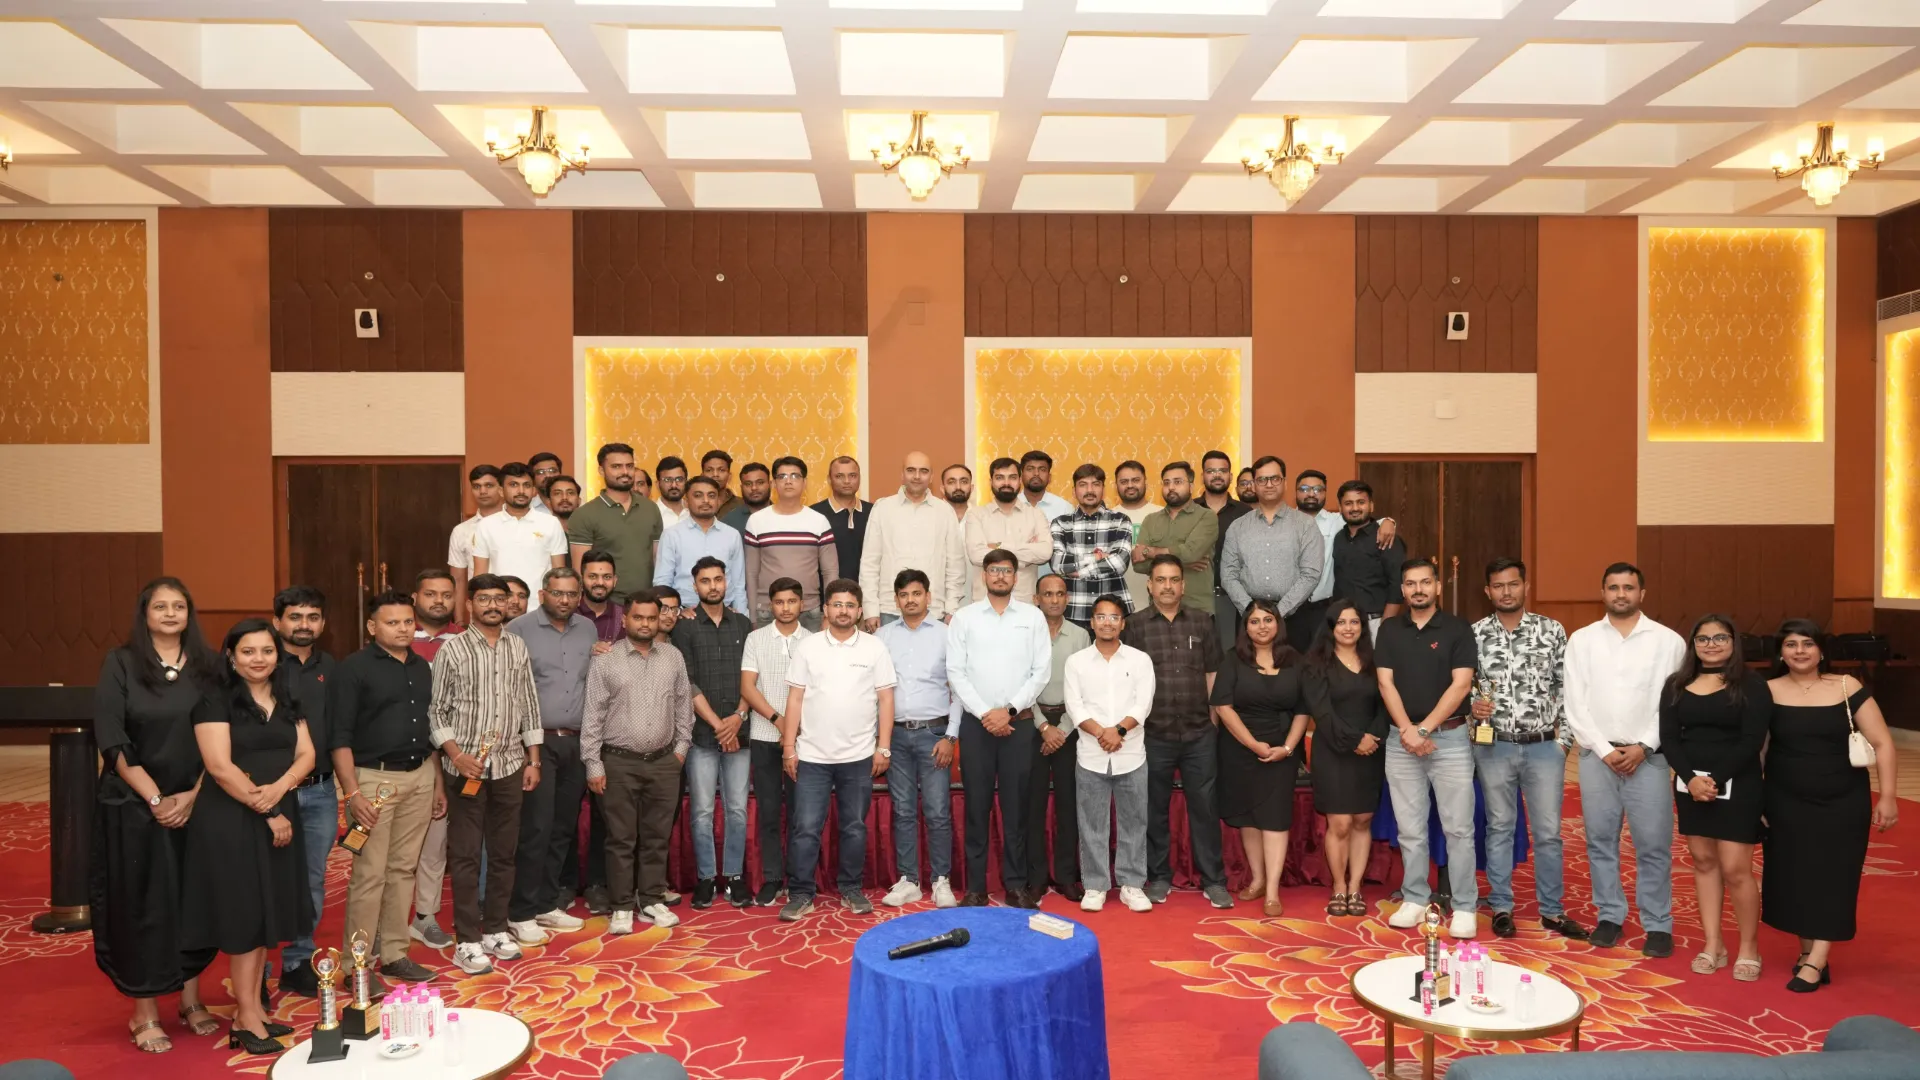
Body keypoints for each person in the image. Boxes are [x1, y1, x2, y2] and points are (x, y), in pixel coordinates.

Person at [91, 578, 220, 1053]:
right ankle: (143, 1012)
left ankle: (190, 999)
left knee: (193, 902)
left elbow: (222, 736)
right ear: (144, 613)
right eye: (160, 606)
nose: (169, 613)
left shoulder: (209, 666)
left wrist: (193, 795)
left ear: (189, 613)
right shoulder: (121, 662)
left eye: (178, 606)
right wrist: (155, 798)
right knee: (142, 907)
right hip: (133, 804)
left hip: (197, 800)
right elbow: (112, 736)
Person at [181, 620, 316, 1055]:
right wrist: (270, 809)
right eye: (248, 651)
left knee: (263, 917)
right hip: (232, 819)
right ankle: (244, 1015)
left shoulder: (287, 697)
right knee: (244, 917)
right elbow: (220, 768)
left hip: (279, 811)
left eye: (267, 651)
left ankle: (253, 1011)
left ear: (278, 655)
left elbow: (307, 754)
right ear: (231, 656)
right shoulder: (214, 699)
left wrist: (283, 788)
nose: (259, 659)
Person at [1763, 620, 1900, 993]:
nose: (1800, 651)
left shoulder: (1846, 686)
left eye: (1808, 643)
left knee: (1834, 876)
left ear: (1821, 650)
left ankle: (1817, 959)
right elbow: (1759, 748)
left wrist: (1888, 796)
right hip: (1784, 801)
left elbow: (1883, 743)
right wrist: (1756, 798)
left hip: (1842, 801)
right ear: (1781, 652)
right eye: (1791, 644)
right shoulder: (1767, 690)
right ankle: (1808, 951)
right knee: (1794, 876)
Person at [1563, 562, 1686, 956]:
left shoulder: (1669, 642)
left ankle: (1658, 923)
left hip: (1648, 758)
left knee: (1653, 845)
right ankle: (1609, 916)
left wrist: (1643, 746)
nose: (1621, 594)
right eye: (1613, 587)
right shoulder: (1582, 640)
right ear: (1603, 592)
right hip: (1596, 756)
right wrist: (1603, 749)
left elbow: (1672, 703)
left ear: (1641, 593)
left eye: (1628, 587)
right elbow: (1574, 703)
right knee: (1600, 842)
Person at [429, 575, 544, 976]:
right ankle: (467, 939)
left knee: (503, 853)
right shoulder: (453, 649)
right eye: (484, 599)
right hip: (466, 769)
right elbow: (436, 711)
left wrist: (533, 759)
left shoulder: (517, 646)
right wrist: (457, 756)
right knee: (464, 856)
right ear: (470, 604)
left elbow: (529, 703)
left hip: (510, 765)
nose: (493, 605)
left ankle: (495, 928)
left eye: (499, 599)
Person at [1469, 558, 1587, 941]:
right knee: (1499, 828)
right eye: (1498, 585)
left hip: (1543, 749)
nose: (1506, 592)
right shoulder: (1475, 634)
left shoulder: (1551, 631)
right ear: (1487, 591)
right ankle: (1501, 907)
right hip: (1494, 747)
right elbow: (1464, 686)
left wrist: (1563, 743)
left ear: (1525, 586)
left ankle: (1552, 910)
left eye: (1513, 584)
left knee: (1549, 832)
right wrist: (1473, 709)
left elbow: (1567, 688)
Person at [329, 588, 440, 984]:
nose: (403, 629)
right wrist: (352, 793)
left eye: (408, 621)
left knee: (403, 870)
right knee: (369, 875)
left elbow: (429, 729)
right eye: (392, 623)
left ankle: (394, 954)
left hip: (419, 775)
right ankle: (356, 966)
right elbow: (339, 736)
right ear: (372, 626)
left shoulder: (421, 667)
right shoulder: (353, 668)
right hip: (373, 781)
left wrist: (437, 785)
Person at [778, 579, 897, 922]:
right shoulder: (808, 647)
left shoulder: (875, 648)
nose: (843, 611)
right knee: (805, 828)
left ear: (859, 611)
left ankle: (851, 888)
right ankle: (801, 893)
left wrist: (883, 747)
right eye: (837, 605)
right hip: (812, 756)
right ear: (825, 609)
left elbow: (886, 700)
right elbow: (795, 699)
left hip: (858, 757)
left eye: (849, 605)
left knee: (854, 827)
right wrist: (789, 748)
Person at [1659, 614, 1768, 981]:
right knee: (1703, 861)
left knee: (1736, 869)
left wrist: (1715, 780)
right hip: (1690, 785)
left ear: (1734, 642)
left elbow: (1752, 740)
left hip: (1738, 783)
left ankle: (1749, 948)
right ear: (1693, 644)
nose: (1711, 644)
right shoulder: (1677, 683)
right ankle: (1713, 944)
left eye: (1720, 637)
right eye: (1703, 638)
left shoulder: (1751, 684)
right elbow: (1669, 737)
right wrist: (1690, 779)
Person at [1377, 558, 1480, 939]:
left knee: (1459, 828)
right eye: (1410, 583)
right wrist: (1408, 731)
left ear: (1437, 587)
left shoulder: (1457, 628)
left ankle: (1465, 905)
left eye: (1424, 582)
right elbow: (1385, 683)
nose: (1417, 589)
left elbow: (1461, 685)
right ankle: (1415, 897)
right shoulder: (1389, 629)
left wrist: (1423, 729)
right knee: (1410, 828)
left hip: (1449, 740)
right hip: (1400, 740)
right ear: (1402, 590)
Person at [946, 548, 1052, 906]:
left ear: (1016, 576)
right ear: (984, 576)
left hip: (1018, 727)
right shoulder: (965, 618)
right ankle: (975, 888)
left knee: (1016, 809)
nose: (1000, 576)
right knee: (976, 808)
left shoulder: (1033, 617)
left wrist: (1008, 711)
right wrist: (985, 714)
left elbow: (1041, 672)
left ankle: (1015, 885)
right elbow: (955, 672)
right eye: (994, 570)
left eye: (1007, 570)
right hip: (977, 728)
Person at [1124, 554, 1231, 909]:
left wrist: (1213, 724)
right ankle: (1158, 877)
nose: (1167, 586)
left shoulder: (1203, 622)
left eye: (1174, 580)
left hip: (1199, 733)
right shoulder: (1134, 626)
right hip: (1154, 734)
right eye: (1161, 580)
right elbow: (1128, 681)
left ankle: (1213, 880)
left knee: (1205, 808)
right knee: (1154, 809)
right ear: (1149, 585)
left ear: (1183, 586)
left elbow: (1213, 673)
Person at [584, 595, 690, 935]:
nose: (645, 623)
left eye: (651, 618)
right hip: (618, 763)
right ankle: (621, 905)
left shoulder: (672, 657)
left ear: (659, 620)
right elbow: (593, 715)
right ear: (624, 620)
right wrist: (593, 764)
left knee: (657, 837)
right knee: (621, 839)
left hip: (664, 763)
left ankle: (651, 900)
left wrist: (680, 751)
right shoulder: (606, 660)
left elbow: (683, 706)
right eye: (638, 617)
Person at [504, 568, 593, 947]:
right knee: (535, 828)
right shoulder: (519, 629)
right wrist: (528, 751)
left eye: (572, 594)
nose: (565, 600)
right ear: (543, 594)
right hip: (536, 744)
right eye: (558, 593)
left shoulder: (587, 629)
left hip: (576, 742)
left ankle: (546, 903)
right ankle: (520, 912)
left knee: (561, 829)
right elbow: (510, 690)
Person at [1211, 600, 1309, 919]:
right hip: (1240, 748)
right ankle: (1257, 878)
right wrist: (1254, 745)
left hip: (1282, 750)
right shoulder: (1233, 659)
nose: (1262, 626)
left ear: (1278, 624)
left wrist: (1288, 748)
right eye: (1254, 621)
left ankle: (1273, 891)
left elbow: (1304, 710)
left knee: (1275, 817)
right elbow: (1223, 707)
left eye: (1268, 620)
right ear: (1246, 627)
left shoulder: (1296, 660)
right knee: (1249, 815)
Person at [875, 571, 963, 910]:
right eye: (904, 594)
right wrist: (880, 739)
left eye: (916, 593)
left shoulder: (946, 635)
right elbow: (875, 691)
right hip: (895, 735)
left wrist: (951, 736)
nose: (910, 599)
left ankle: (941, 880)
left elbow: (959, 689)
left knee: (938, 811)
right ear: (896, 599)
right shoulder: (882, 637)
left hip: (934, 735)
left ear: (928, 596)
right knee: (903, 811)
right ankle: (909, 880)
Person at [672, 557, 755, 909]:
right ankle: (706, 878)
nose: (713, 586)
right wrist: (720, 726)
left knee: (737, 809)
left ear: (727, 581)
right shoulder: (685, 628)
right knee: (702, 811)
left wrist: (737, 716)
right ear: (695, 586)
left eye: (718, 579)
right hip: (703, 736)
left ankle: (734, 876)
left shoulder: (744, 624)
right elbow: (686, 682)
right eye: (705, 581)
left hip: (740, 731)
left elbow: (752, 676)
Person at [1065, 594, 1155, 914]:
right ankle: (1095, 885)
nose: (1107, 623)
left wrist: (1118, 731)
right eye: (1101, 617)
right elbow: (1075, 707)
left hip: (1131, 754)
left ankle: (1131, 885)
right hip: (1091, 755)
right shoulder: (1076, 662)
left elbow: (1143, 704)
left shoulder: (1140, 660)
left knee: (1134, 822)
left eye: (1114, 617)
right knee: (1092, 824)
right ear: (1091, 622)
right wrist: (1103, 733)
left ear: (1122, 624)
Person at [270, 586, 337, 998]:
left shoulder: (330, 666)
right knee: (263, 879)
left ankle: (297, 960)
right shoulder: (261, 662)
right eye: (295, 616)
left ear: (323, 623)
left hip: (320, 790)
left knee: (312, 879)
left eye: (312, 617)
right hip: (270, 792)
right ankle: (256, 969)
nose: (304, 625)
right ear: (277, 620)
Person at [1302, 599, 1387, 918]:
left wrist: (1372, 737)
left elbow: (1385, 703)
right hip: (1333, 751)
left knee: (1362, 820)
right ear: (1330, 627)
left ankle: (1355, 888)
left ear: (1363, 627)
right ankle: (1339, 886)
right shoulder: (1315, 664)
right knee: (1339, 823)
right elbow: (1322, 712)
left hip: (1370, 751)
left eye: (1354, 622)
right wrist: (1355, 740)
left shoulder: (1375, 661)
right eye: (1341, 622)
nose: (1348, 628)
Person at [738, 578, 812, 906]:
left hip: (805, 741)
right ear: (771, 605)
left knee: (801, 815)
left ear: (802, 604)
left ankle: (798, 880)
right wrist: (779, 721)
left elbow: (817, 691)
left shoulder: (813, 642)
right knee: (769, 813)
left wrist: (794, 728)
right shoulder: (755, 639)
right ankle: (772, 879)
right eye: (779, 602)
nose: (785, 607)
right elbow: (748, 687)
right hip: (764, 736)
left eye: (791, 601)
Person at [407, 569, 462, 952]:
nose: (439, 601)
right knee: (389, 848)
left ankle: (425, 916)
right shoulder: (398, 636)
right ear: (416, 598)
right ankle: (381, 920)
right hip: (400, 756)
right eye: (430, 594)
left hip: (451, 755)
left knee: (435, 841)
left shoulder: (466, 639)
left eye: (446, 594)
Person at [1028, 574, 1091, 905]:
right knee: (1032, 805)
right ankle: (1035, 878)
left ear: (1067, 598)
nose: (1054, 600)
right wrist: (1042, 726)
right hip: (1032, 723)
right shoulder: (1025, 634)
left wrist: (1062, 729)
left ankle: (1068, 876)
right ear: (1036, 599)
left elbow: (1084, 688)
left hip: (1070, 724)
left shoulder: (1081, 635)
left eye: (1060, 594)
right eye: (1047, 594)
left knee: (1069, 805)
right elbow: (1019, 684)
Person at [859, 452, 967, 629]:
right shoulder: (882, 508)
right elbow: (870, 563)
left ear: (931, 477)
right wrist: (871, 609)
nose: (917, 476)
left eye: (923, 471)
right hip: (889, 611)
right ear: (902, 474)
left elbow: (955, 566)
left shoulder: (944, 511)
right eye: (911, 470)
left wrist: (952, 608)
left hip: (934, 611)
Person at [1220, 456, 1323, 629]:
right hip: (1249, 618)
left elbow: (1311, 574)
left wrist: (1277, 613)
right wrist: (1251, 612)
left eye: (1275, 478)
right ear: (1254, 485)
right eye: (1262, 479)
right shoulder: (1238, 526)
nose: (1269, 485)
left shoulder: (1306, 525)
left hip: (1294, 617)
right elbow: (1228, 575)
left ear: (1285, 483)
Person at [744, 456, 840, 631]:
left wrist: (829, 613)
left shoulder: (819, 521)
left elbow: (830, 572)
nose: (788, 481)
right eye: (782, 476)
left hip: (809, 611)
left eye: (795, 476)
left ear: (805, 483)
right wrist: (752, 615)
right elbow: (751, 573)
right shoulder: (757, 521)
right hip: (767, 610)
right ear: (774, 484)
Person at [568, 442, 665, 604]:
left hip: (646, 603)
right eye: (616, 467)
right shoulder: (584, 514)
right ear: (601, 470)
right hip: (605, 605)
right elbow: (579, 571)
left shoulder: (650, 508)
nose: (625, 472)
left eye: (629, 466)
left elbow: (658, 558)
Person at [1052, 463, 1134, 624]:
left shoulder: (1120, 520)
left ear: (1103, 489)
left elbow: (1120, 563)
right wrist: (1098, 557)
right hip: (1073, 610)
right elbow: (1057, 563)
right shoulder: (1061, 523)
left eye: (1095, 484)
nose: (1090, 490)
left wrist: (1081, 572)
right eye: (1083, 485)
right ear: (1074, 491)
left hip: (1113, 612)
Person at [964, 456, 1054, 602]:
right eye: (1000, 478)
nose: (1006, 483)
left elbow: (1045, 552)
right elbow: (976, 555)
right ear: (991, 482)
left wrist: (997, 546)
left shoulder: (1035, 514)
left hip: (1024, 602)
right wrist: (1026, 552)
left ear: (1020, 481)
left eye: (1012, 477)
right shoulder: (976, 515)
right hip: (985, 603)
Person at [1133, 461, 1218, 616]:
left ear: (1191, 486)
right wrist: (1185, 562)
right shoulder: (1151, 520)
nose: (1171, 487)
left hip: (1197, 609)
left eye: (1177, 482)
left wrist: (1150, 552)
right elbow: (1138, 564)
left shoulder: (1207, 516)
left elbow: (1191, 553)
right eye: (1166, 483)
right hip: (1157, 611)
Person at [655, 477, 748, 614]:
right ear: (686, 501)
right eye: (698, 495)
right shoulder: (672, 535)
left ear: (718, 500)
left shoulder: (732, 535)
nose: (706, 501)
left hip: (725, 614)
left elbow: (739, 584)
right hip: (685, 615)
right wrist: (677, 612)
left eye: (711, 495)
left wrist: (741, 618)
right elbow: (662, 582)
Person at [473, 463, 568, 594]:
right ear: (501, 491)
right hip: (499, 603)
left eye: (526, 485)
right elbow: (480, 575)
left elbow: (559, 574)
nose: (521, 491)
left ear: (534, 491)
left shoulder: (551, 523)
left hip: (539, 603)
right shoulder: (485, 525)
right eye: (514, 485)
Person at [1330, 481, 1405, 641]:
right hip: (1342, 623)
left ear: (1371, 505)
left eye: (1361, 502)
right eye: (1348, 503)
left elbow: (1397, 586)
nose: (1355, 508)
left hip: (1374, 623)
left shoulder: (1385, 537)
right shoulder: (1339, 538)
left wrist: (1385, 627)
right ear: (1340, 507)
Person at [1198, 451, 1250, 647]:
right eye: (1211, 471)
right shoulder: (1189, 510)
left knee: (1232, 655)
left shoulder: (1246, 513)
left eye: (1222, 470)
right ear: (1202, 476)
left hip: (1233, 600)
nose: (1217, 475)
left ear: (1230, 475)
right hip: (1195, 599)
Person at [450, 465, 505, 623]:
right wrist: (460, 622)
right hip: (481, 611)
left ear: (501, 488)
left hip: (515, 606)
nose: (482, 491)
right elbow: (458, 580)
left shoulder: (516, 524)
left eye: (489, 485)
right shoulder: (462, 531)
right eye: (476, 486)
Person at [811, 455, 872, 579]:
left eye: (852, 475)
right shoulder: (814, 514)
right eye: (839, 476)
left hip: (867, 589)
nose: (847, 481)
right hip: (827, 589)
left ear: (859, 478)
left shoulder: (874, 512)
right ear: (829, 480)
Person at [1113, 460, 1160, 610]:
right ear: (1115, 485)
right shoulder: (1108, 517)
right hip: (1117, 603)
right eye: (1124, 481)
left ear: (1145, 481)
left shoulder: (1162, 514)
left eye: (1135, 480)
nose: (1130, 485)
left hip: (1156, 604)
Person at [580, 549, 625, 642]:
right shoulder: (569, 614)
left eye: (607, 577)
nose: (600, 582)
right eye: (592, 576)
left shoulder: (624, 617)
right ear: (581, 580)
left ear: (615, 581)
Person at [1018, 450, 1074, 523]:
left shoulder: (1064, 508)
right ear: (1021, 476)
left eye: (1042, 469)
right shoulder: (1009, 505)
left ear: (1049, 477)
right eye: (1030, 469)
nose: (1036, 473)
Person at [720, 462, 771, 534]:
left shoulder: (783, 516)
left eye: (760, 482)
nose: (754, 488)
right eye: (748, 484)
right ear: (741, 487)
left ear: (770, 484)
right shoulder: (728, 522)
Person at [702, 450, 741, 521]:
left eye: (721, 470)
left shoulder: (742, 505)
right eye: (709, 470)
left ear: (729, 476)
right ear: (702, 475)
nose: (715, 474)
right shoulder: (692, 504)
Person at [655, 456, 690, 531]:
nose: (674, 485)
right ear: (658, 484)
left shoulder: (693, 511)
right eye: (667, 480)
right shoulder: (651, 514)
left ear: (686, 482)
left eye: (679, 479)